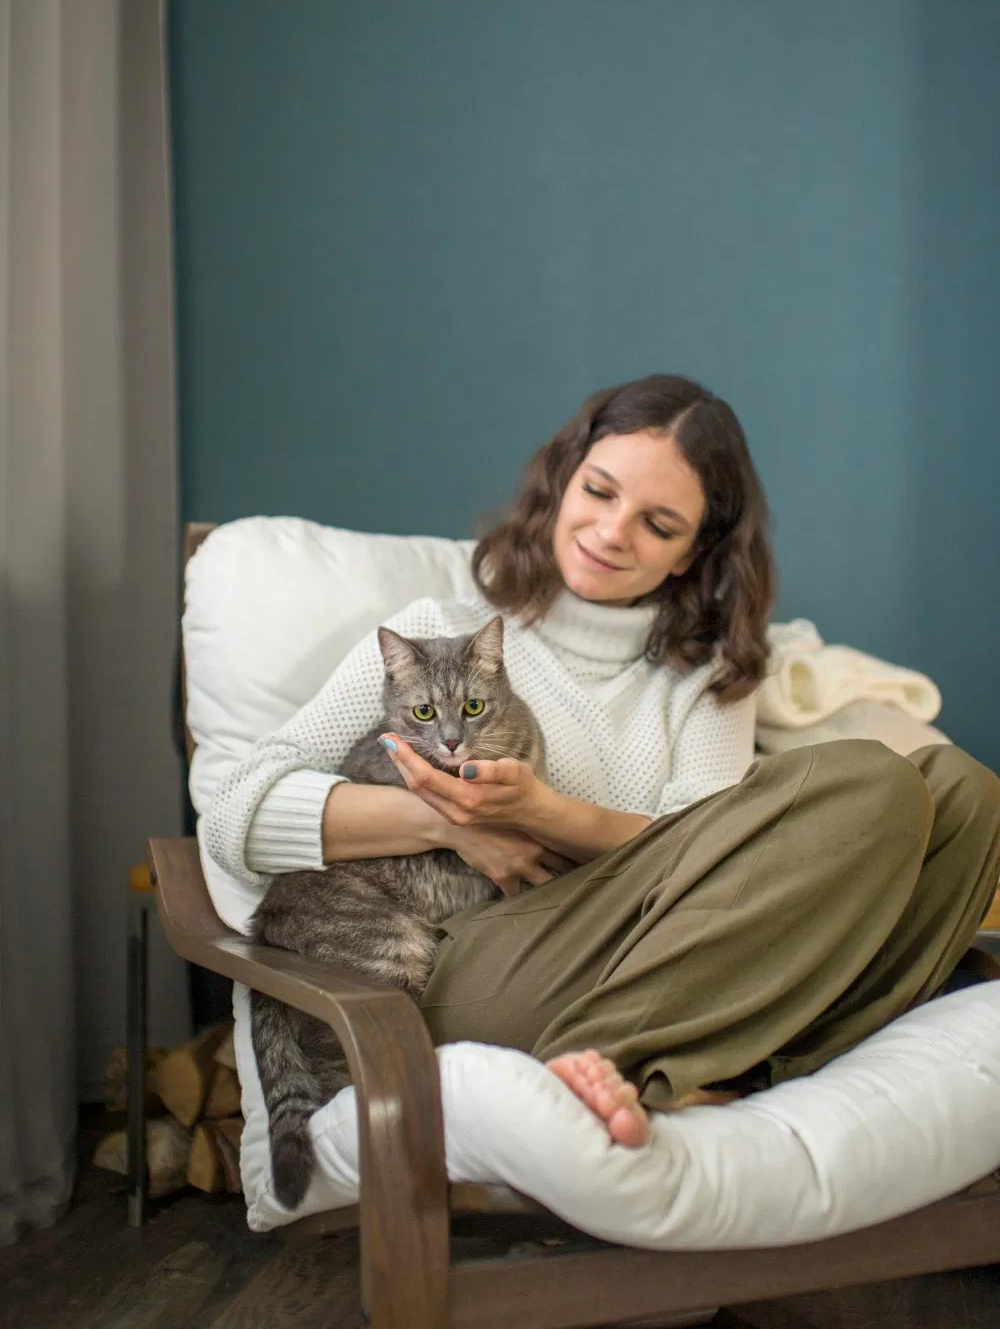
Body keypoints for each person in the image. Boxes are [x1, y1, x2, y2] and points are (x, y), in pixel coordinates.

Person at [202, 374, 1000, 1149]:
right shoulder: (438, 631)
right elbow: (235, 810)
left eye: (659, 524)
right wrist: (450, 821)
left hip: (664, 946)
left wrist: (547, 815)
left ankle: (739, 1060)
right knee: (868, 782)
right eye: (599, 491)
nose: (614, 531)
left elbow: (722, 865)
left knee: (967, 794)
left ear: (694, 552)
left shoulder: (708, 681)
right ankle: (619, 1053)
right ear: (562, 484)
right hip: (467, 962)